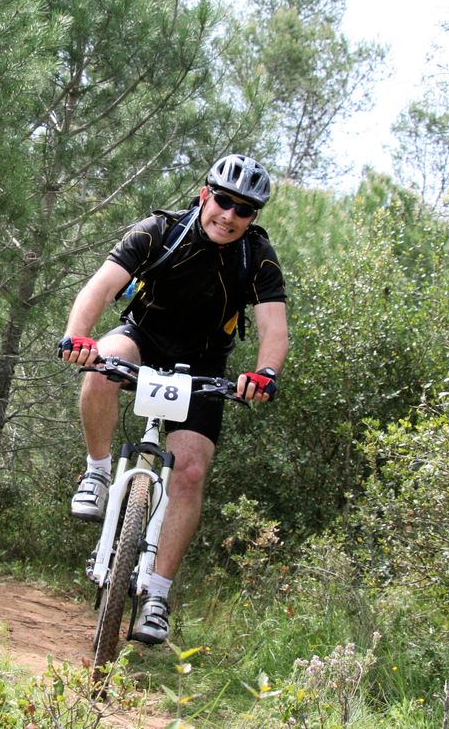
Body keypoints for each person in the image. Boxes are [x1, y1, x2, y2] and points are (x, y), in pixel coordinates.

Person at [57, 154, 289, 645]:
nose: (229, 215)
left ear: (253, 218)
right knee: (100, 368)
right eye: (223, 201)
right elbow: (101, 286)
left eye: (244, 210)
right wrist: (78, 337)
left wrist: (265, 373)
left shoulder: (257, 257)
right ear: (205, 195)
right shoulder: (158, 231)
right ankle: (97, 472)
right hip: (143, 338)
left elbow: (273, 326)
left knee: (190, 472)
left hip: (204, 365)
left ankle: (157, 595)